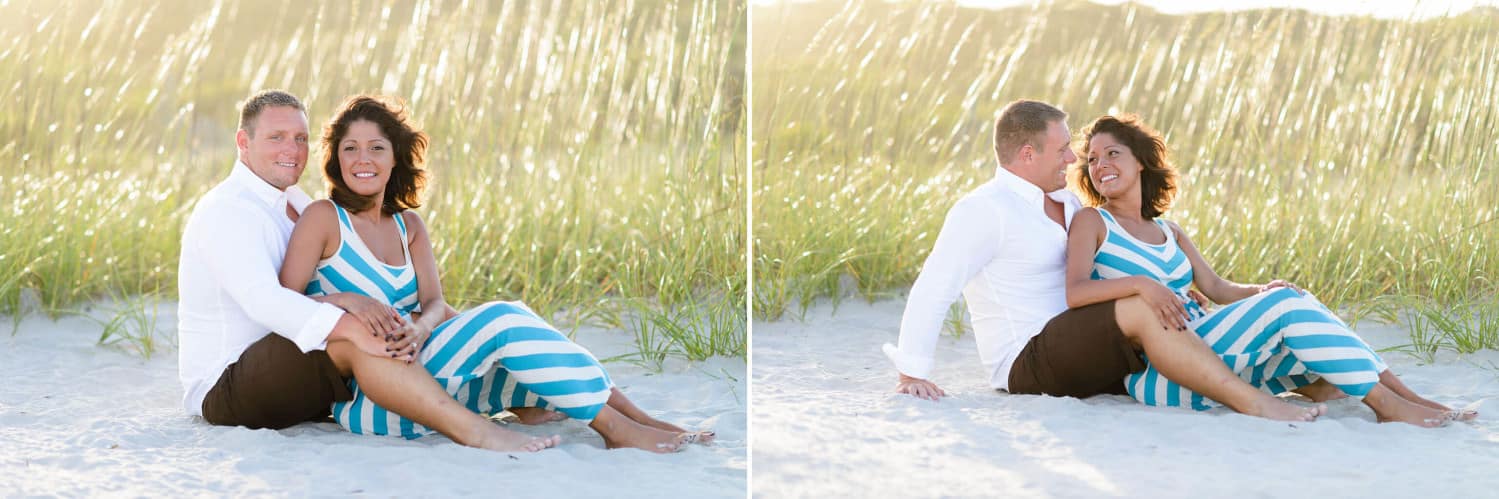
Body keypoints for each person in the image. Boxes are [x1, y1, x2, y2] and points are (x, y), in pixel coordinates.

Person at [277, 94, 711, 452]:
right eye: (350, 148)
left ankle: (640, 418)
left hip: (430, 368)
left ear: (395, 159)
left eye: (376, 148)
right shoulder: (323, 218)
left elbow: (434, 304)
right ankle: (617, 430)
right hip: (378, 402)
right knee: (504, 319)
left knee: (528, 343)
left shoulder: (409, 226)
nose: (362, 159)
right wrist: (347, 300)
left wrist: (423, 328)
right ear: (335, 158)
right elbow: (282, 302)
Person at [883, 100, 1326, 422]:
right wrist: (911, 373)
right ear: (1027, 154)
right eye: (1062, 150)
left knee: (1190, 322)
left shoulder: (1070, 205)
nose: (1073, 159)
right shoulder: (984, 210)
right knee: (1140, 305)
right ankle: (1251, 403)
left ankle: (1311, 381)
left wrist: (1168, 286)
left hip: (1093, 345)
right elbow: (935, 286)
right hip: (1028, 361)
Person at [180, 89, 554, 452]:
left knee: (406, 316)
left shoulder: (294, 202)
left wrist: (366, 307)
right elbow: (264, 300)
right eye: (276, 137)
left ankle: (524, 393)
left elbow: (318, 288)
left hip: (290, 362)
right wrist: (349, 317)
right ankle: (476, 431)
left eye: (300, 138)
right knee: (361, 332)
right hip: (229, 385)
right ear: (243, 142)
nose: (292, 150)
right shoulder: (227, 210)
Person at [1064, 114, 1475, 427]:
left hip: (1211, 340)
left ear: (1140, 163)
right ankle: (1387, 405)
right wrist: (1142, 285)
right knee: (1283, 309)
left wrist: (1264, 288)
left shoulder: (1169, 230)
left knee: (1292, 298)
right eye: (1093, 160)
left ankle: (1405, 395)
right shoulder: (1094, 222)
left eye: (1112, 153)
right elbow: (1076, 293)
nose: (1100, 165)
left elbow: (1217, 288)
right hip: (1167, 370)